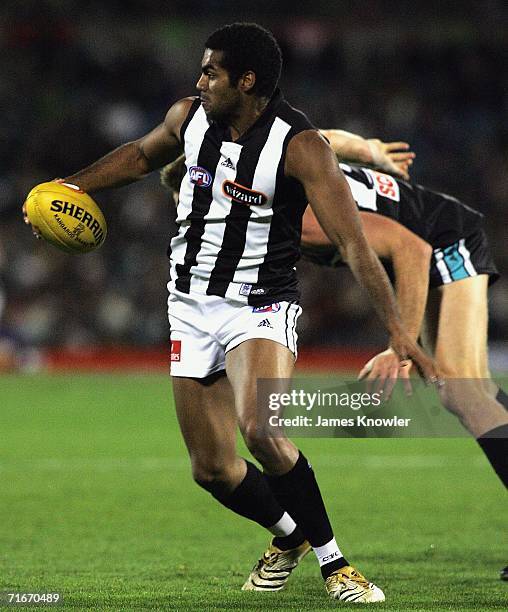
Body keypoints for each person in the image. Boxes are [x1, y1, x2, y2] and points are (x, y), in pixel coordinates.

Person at [23, 23, 440, 603]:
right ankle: (288, 536)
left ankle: (337, 565)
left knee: (261, 428)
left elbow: (353, 246)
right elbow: (141, 157)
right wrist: (65, 187)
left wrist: (399, 330)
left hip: (260, 306)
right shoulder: (189, 118)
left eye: (211, 72)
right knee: (212, 468)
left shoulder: (300, 147)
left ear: (247, 81)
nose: (200, 81)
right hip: (189, 305)